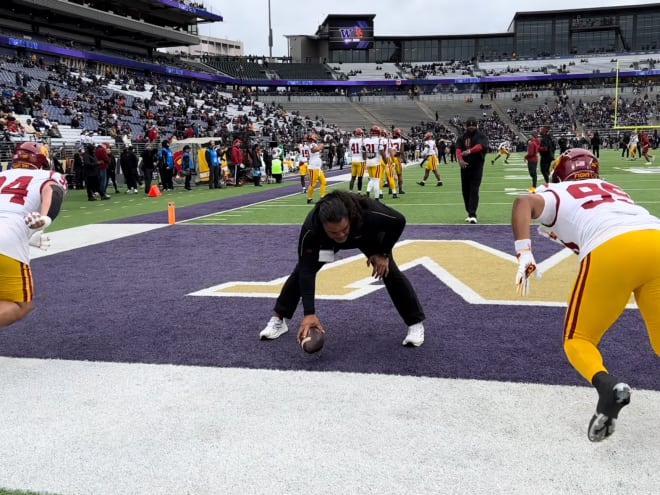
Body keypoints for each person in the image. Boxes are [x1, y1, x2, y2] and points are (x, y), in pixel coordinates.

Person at [511, 148, 660, 443]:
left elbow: (522, 202)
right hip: (655, 236)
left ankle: (608, 387)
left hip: (613, 246)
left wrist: (524, 252)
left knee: (578, 339)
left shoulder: (556, 190)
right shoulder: (612, 188)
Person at [259, 190, 426, 347]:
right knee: (302, 272)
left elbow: (399, 221)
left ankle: (415, 323)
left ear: (350, 217)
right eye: (334, 231)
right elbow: (307, 271)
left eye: (343, 229)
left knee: (389, 271)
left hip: (366, 236)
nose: (340, 235)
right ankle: (279, 320)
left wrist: (383, 253)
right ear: (323, 226)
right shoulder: (312, 229)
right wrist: (309, 313)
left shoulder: (367, 211)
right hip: (328, 246)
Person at [0, 142, 67, 328]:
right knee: (20, 305)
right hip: (7, 238)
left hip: (8, 233)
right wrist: (46, 219)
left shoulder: (2, 175)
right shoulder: (48, 175)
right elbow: (52, 191)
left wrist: (29, 236)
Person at [455, 117, 488, 224]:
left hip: (477, 166)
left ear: (476, 126)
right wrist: (460, 159)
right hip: (464, 167)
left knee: (474, 189)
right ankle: (469, 212)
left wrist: (469, 151)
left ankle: (473, 214)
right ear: (466, 126)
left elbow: (480, 146)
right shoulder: (462, 137)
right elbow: (458, 149)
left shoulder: (480, 136)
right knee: (465, 190)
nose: (471, 127)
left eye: (473, 125)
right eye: (469, 125)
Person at [305, 133, 326, 204]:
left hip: (317, 167)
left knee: (323, 182)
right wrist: (321, 146)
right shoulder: (311, 144)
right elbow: (314, 150)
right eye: (315, 137)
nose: (316, 138)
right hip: (313, 167)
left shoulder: (314, 144)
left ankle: (323, 197)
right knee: (312, 184)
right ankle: (309, 199)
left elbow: (317, 152)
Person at [348, 128, 366, 193]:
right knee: (360, 177)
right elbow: (364, 150)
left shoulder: (351, 140)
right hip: (360, 160)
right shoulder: (362, 140)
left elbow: (350, 151)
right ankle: (359, 191)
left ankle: (350, 191)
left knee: (353, 177)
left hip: (353, 160)